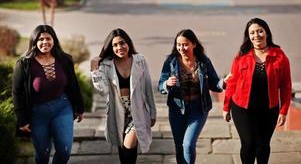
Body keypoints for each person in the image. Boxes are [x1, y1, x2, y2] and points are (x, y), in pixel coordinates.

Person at [223, 18, 292, 164]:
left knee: (263, 146)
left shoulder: (279, 56)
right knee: (249, 145)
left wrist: (283, 111)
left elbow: (286, 86)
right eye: (252, 33)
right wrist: (226, 107)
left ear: (266, 32)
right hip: (242, 108)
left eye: (260, 31)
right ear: (248, 36)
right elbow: (232, 83)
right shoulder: (241, 56)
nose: (256, 35)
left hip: (269, 109)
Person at [12, 25, 84, 164]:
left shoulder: (65, 59)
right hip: (37, 112)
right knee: (43, 152)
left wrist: (79, 108)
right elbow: (17, 92)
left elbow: (74, 84)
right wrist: (22, 119)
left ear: (54, 40)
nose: (45, 42)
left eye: (48, 38)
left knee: (64, 150)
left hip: (62, 107)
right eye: (40, 39)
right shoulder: (24, 63)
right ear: (34, 42)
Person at [158, 29, 225, 164]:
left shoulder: (203, 61)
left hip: (198, 109)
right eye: (178, 45)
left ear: (194, 44)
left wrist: (224, 83)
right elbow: (160, 86)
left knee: (188, 145)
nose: (181, 48)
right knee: (179, 146)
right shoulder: (171, 62)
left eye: (185, 44)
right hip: (177, 110)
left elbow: (214, 83)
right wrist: (167, 84)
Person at [90, 28, 157, 164]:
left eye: (122, 43)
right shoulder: (106, 65)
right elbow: (103, 90)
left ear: (128, 44)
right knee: (123, 151)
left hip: (137, 111)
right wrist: (94, 70)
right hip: (117, 113)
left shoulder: (140, 60)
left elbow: (148, 88)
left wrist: (153, 113)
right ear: (111, 47)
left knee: (128, 146)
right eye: (115, 45)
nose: (119, 47)